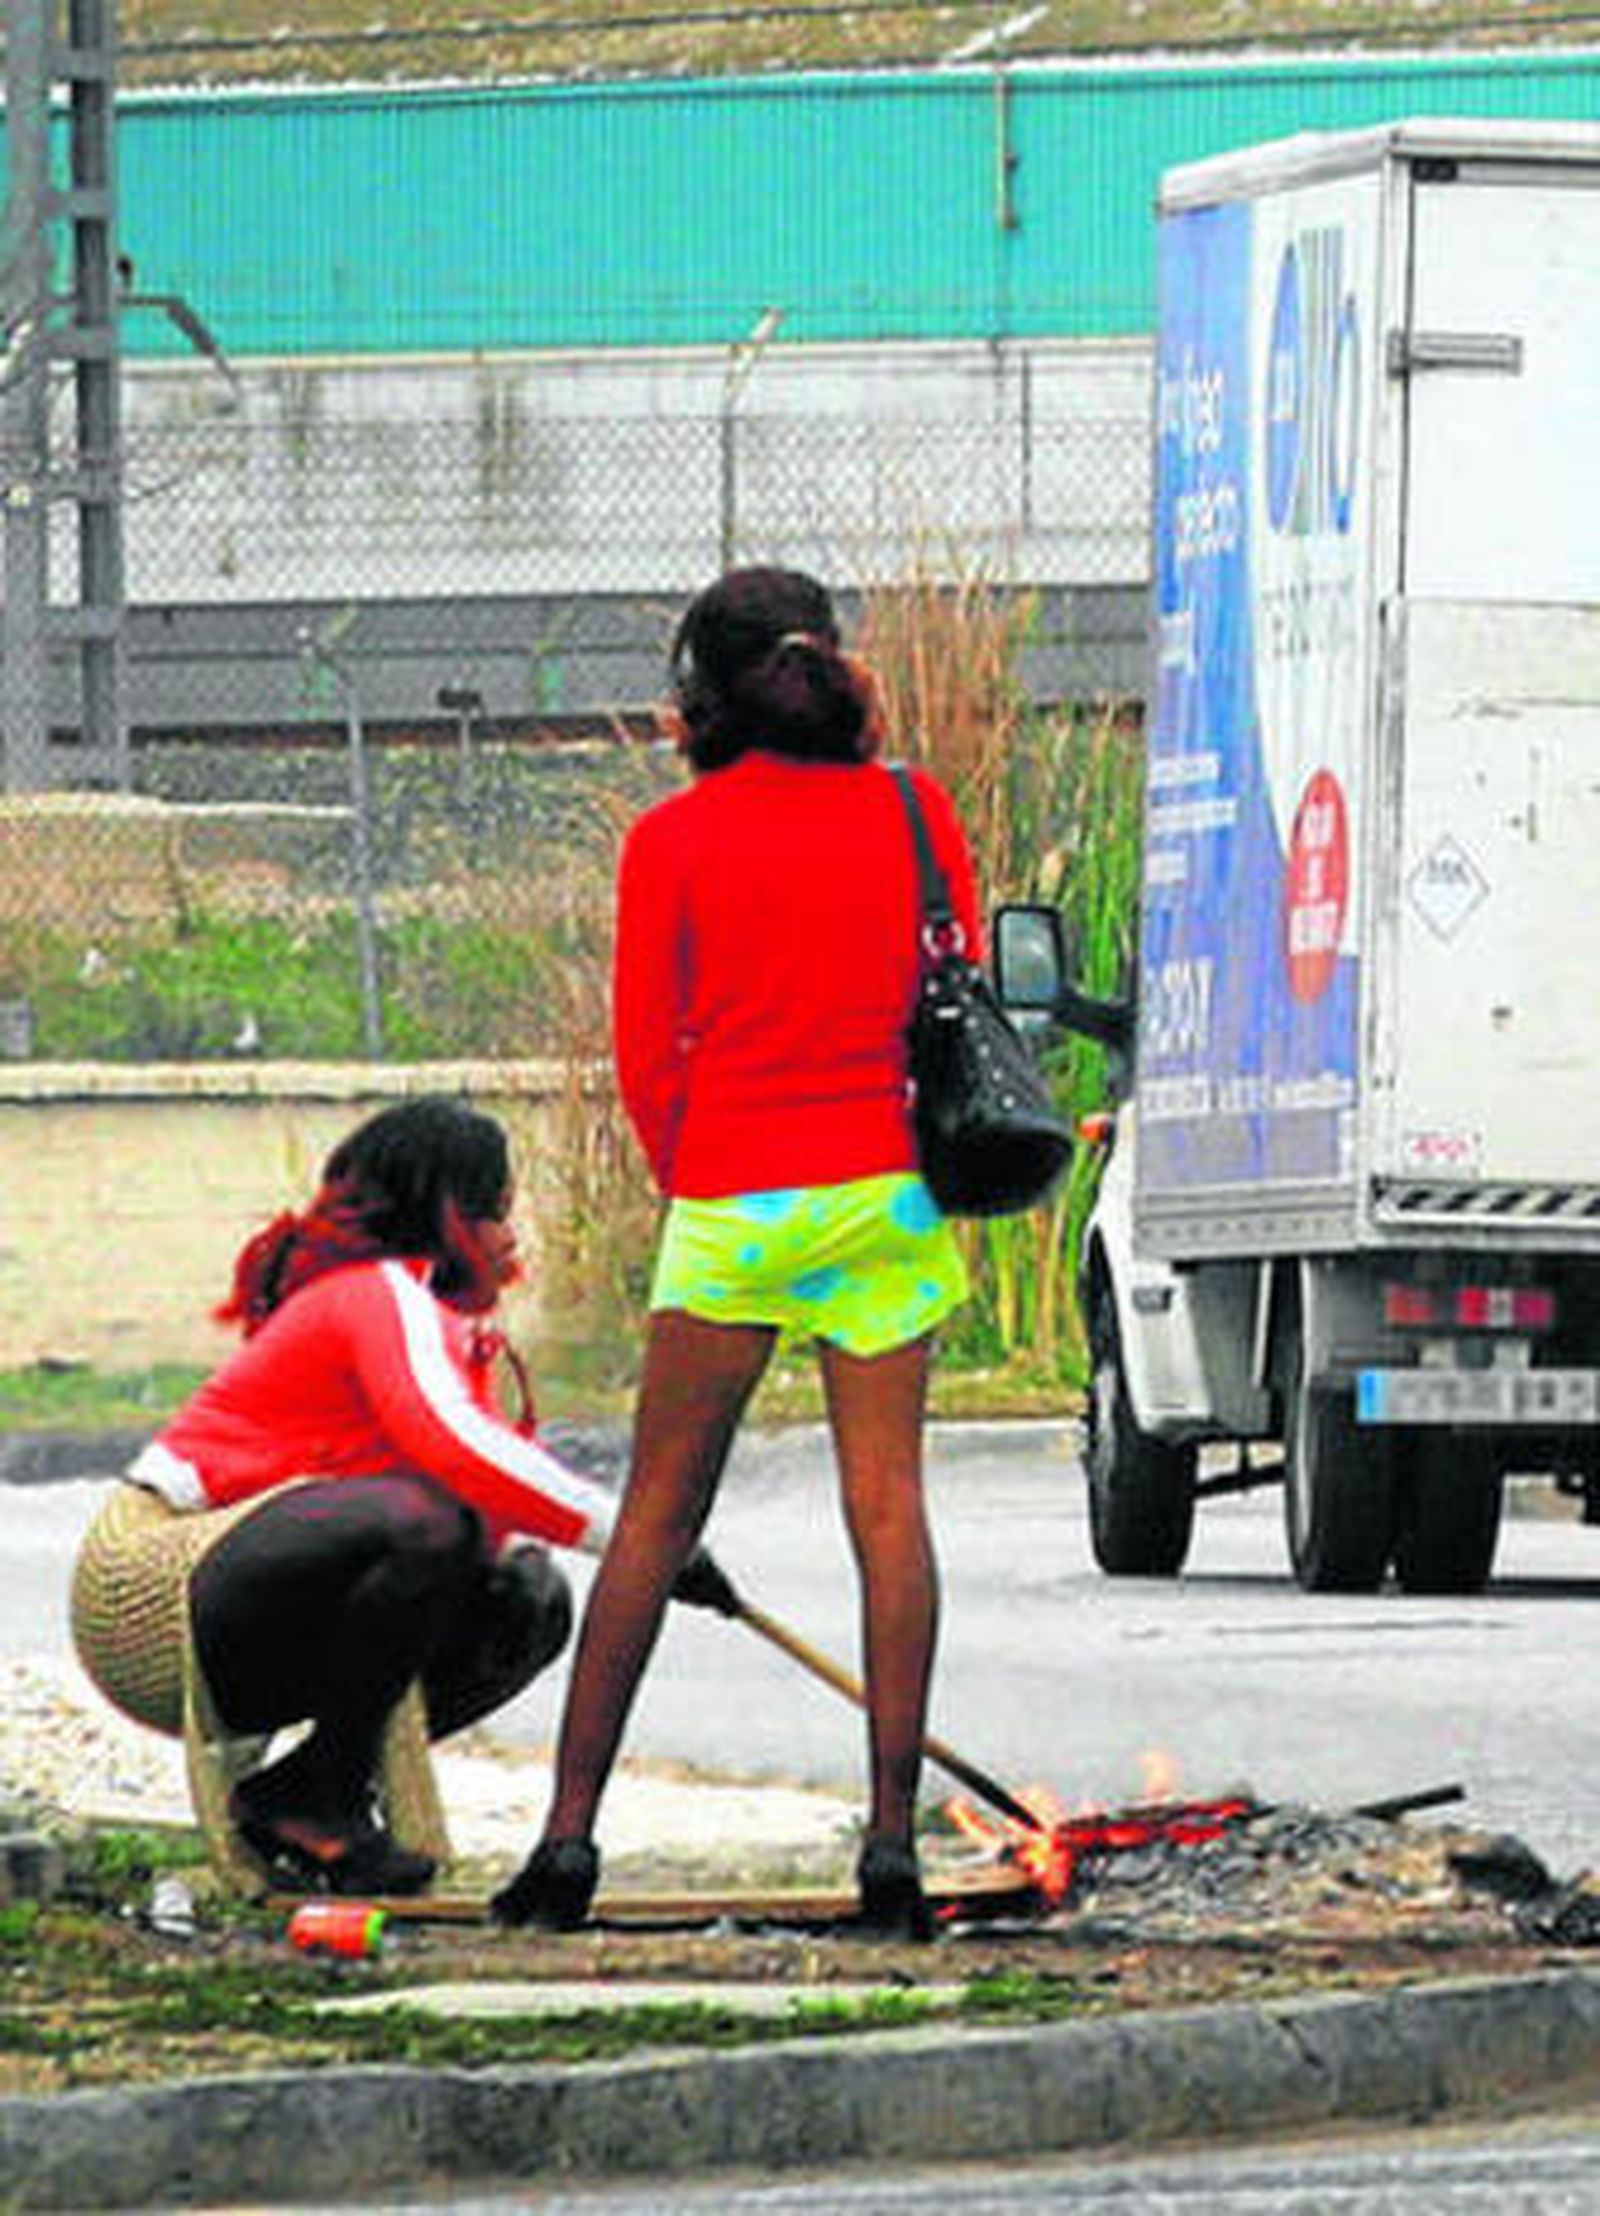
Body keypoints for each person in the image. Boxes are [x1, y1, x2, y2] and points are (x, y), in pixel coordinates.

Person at [493, 566, 980, 1939]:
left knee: (657, 1513)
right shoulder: (916, 810)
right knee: (889, 1509)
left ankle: (567, 1845)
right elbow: (951, 988)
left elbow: (648, 1053)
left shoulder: (674, 840)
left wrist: (695, 1178)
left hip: (735, 1196)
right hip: (882, 1193)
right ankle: (892, 1850)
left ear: (701, 696)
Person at [70, 1094, 731, 1897]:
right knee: (428, 1524)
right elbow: (456, 1446)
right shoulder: (373, 1292)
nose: (511, 1235)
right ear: (451, 1216)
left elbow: (499, 1507)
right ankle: (324, 1797)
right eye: (496, 1212)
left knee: (527, 1598)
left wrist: (658, 1561)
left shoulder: (438, 1321)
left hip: (256, 1607)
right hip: (149, 1590)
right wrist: (643, 1540)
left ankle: (305, 1793)